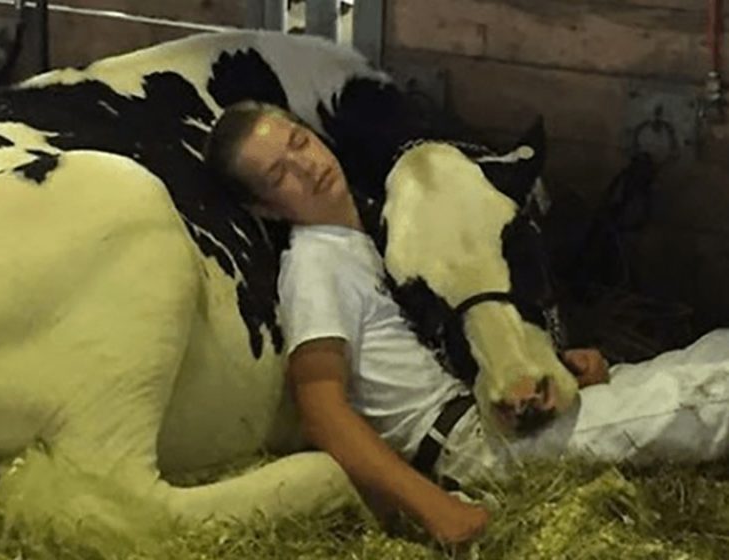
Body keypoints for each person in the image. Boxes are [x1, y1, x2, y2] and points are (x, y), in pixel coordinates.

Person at [202, 100, 729, 545]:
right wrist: (435, 508)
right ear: (266, 208)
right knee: (707, 400)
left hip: (492, 408)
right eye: (279, 175)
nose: (307, 165)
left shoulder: (371, 232)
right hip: (471, 446)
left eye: (299, 142)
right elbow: (320, 409)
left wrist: (561, 367)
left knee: (713, 352)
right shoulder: (316, 267)